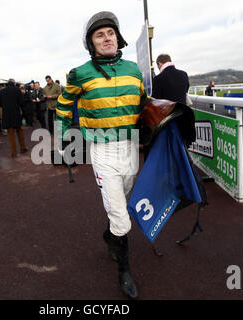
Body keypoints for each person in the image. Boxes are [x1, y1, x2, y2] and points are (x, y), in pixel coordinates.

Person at [56, 11, 147, 298]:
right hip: (102, 150)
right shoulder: (80, 73)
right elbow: (63, 101)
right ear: (91, 43)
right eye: (100, 35)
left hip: (131, 147)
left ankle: (110, 236)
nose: (106, 38)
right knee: (120, 215)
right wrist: (62, 134)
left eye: (110, 33)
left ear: (117, 38)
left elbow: (144, 106)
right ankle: (124, 273)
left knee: (124, 203)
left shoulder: (134, 70)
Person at [151, 54, 195, 148]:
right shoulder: (184, 74)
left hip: (167, 122)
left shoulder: (158, 79)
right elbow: (185, 91)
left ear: (159, 63)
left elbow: (155, 101)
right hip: (184, 119)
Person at [0, 79, 28, 157]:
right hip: (16, 113)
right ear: (14, 83)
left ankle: (13, 152)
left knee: (11, 134)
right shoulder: (17, 90)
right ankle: (23, 148)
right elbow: (21, 102)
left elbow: (0, 104)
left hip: (6, 115)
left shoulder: (2, 91)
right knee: (19, 131)